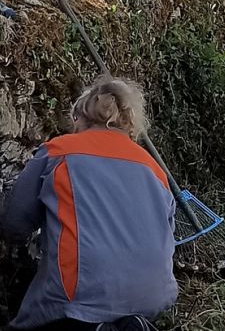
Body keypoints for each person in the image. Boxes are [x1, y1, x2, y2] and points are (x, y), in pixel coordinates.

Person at [1, 76, 177, 330]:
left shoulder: (58, 152)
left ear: (82, 116)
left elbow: (14, 223)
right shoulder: (155, 169)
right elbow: (166, 236)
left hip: (76, 297)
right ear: (129, 124)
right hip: (154, 295)